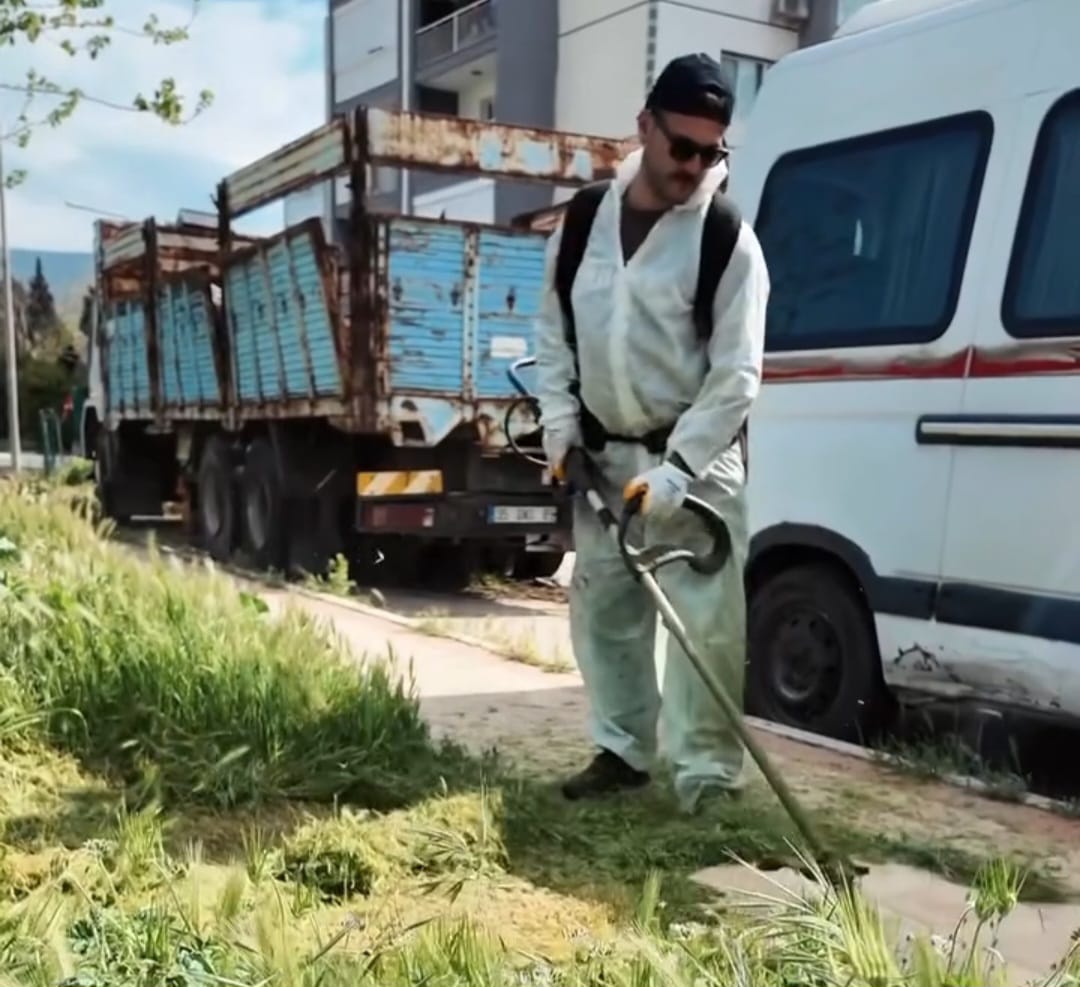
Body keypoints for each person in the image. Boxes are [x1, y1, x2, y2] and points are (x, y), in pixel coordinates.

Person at [533, 52, 770, 814]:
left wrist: (675, 475)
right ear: (645, 127)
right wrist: (561, 429)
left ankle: (707, 779)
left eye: (713, 151)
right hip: (604, 458)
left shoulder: (727, 238)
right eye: (685, 147)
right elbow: (554, 331)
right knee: (606, 613)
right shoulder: (581, 223)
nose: (698, 165)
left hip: (694, 464)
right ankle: (623, 753)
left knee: (706, 628)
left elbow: (736, 376)